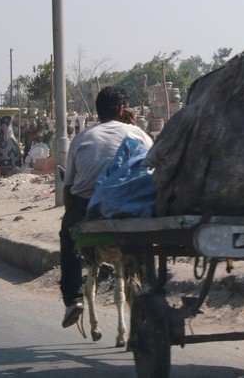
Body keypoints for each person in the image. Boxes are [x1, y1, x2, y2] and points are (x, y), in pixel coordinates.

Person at [59, 86, 153, 328]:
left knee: (67, 236)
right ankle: (146, 284)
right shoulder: (139, 134)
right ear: (122, 110)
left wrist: (72, 217)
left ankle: (73, 299)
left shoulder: (82, 138)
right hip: (130, 208)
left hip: (87, 208)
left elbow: (68, 188)